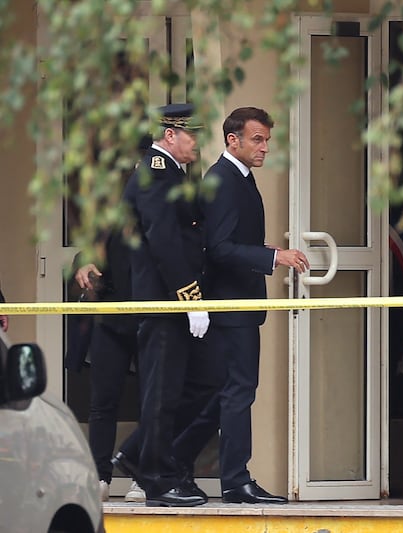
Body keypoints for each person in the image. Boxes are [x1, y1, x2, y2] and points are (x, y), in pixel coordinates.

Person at [171, 106, 309, 504]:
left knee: (225, 394)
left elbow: (230, 239)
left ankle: (173, 462)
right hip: (230, 305)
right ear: (233, 140)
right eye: (257, 139)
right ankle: (234, 480)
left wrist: (265, 250)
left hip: (237, 304)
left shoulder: (239, 177)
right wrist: (274, 259)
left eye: (267, 139)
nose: (265, 147)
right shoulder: (224, 180)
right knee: (238, 392)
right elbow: (219, 248)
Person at [119, 103, 221, 507]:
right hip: (164, 301)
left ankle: (134, 455)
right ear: (169, 135)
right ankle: (156, 481)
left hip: (172, 299)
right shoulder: (156, 173)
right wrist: (190, 297)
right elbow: (164, 241)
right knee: (162, 392)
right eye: (191, 134)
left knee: (200, 382)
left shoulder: (171, 172)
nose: (197, 142)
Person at [72, 239, 145, 503]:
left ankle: (143, 476)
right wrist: (83, 263)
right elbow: (87, 249)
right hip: (109, 314)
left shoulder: (162, 207)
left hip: (153, 315)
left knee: (151, 402)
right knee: (102, 401)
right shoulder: (112, 210)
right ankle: (100, 478)